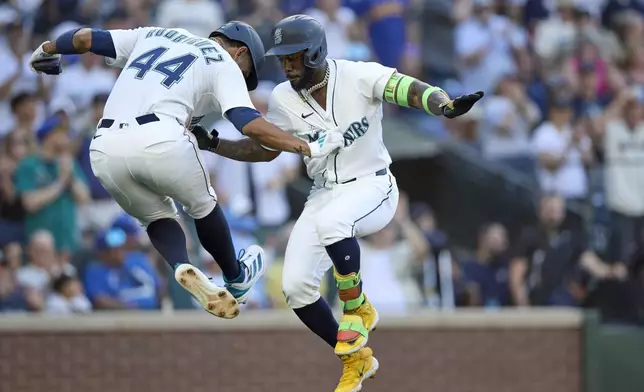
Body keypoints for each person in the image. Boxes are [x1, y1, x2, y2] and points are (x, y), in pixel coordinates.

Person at [192, 15, 483, 392]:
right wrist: (215, 144)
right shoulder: (282, 96)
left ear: (315, 52)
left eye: (294, 57)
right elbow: (264, 151)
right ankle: (356, 359)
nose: (287, 64)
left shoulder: (357, 75)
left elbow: (408, 89)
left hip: (373, 186)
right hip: (324, 192)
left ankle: (358, 306)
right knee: (296, 288)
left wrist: (442, 105)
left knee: (333, 224)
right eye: (282, 58)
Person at [28, 22, 346, 319]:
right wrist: (308, 146)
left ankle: (181, 265)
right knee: (202, 205)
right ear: (241, 51)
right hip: (161, 138)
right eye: (246, 72)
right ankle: (236, 276)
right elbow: (248, 124)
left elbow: (84, 39)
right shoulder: (224, 62)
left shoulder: (155, 34)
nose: (244, 78)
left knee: (157, 218)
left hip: (104, 147)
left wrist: (47, 50)